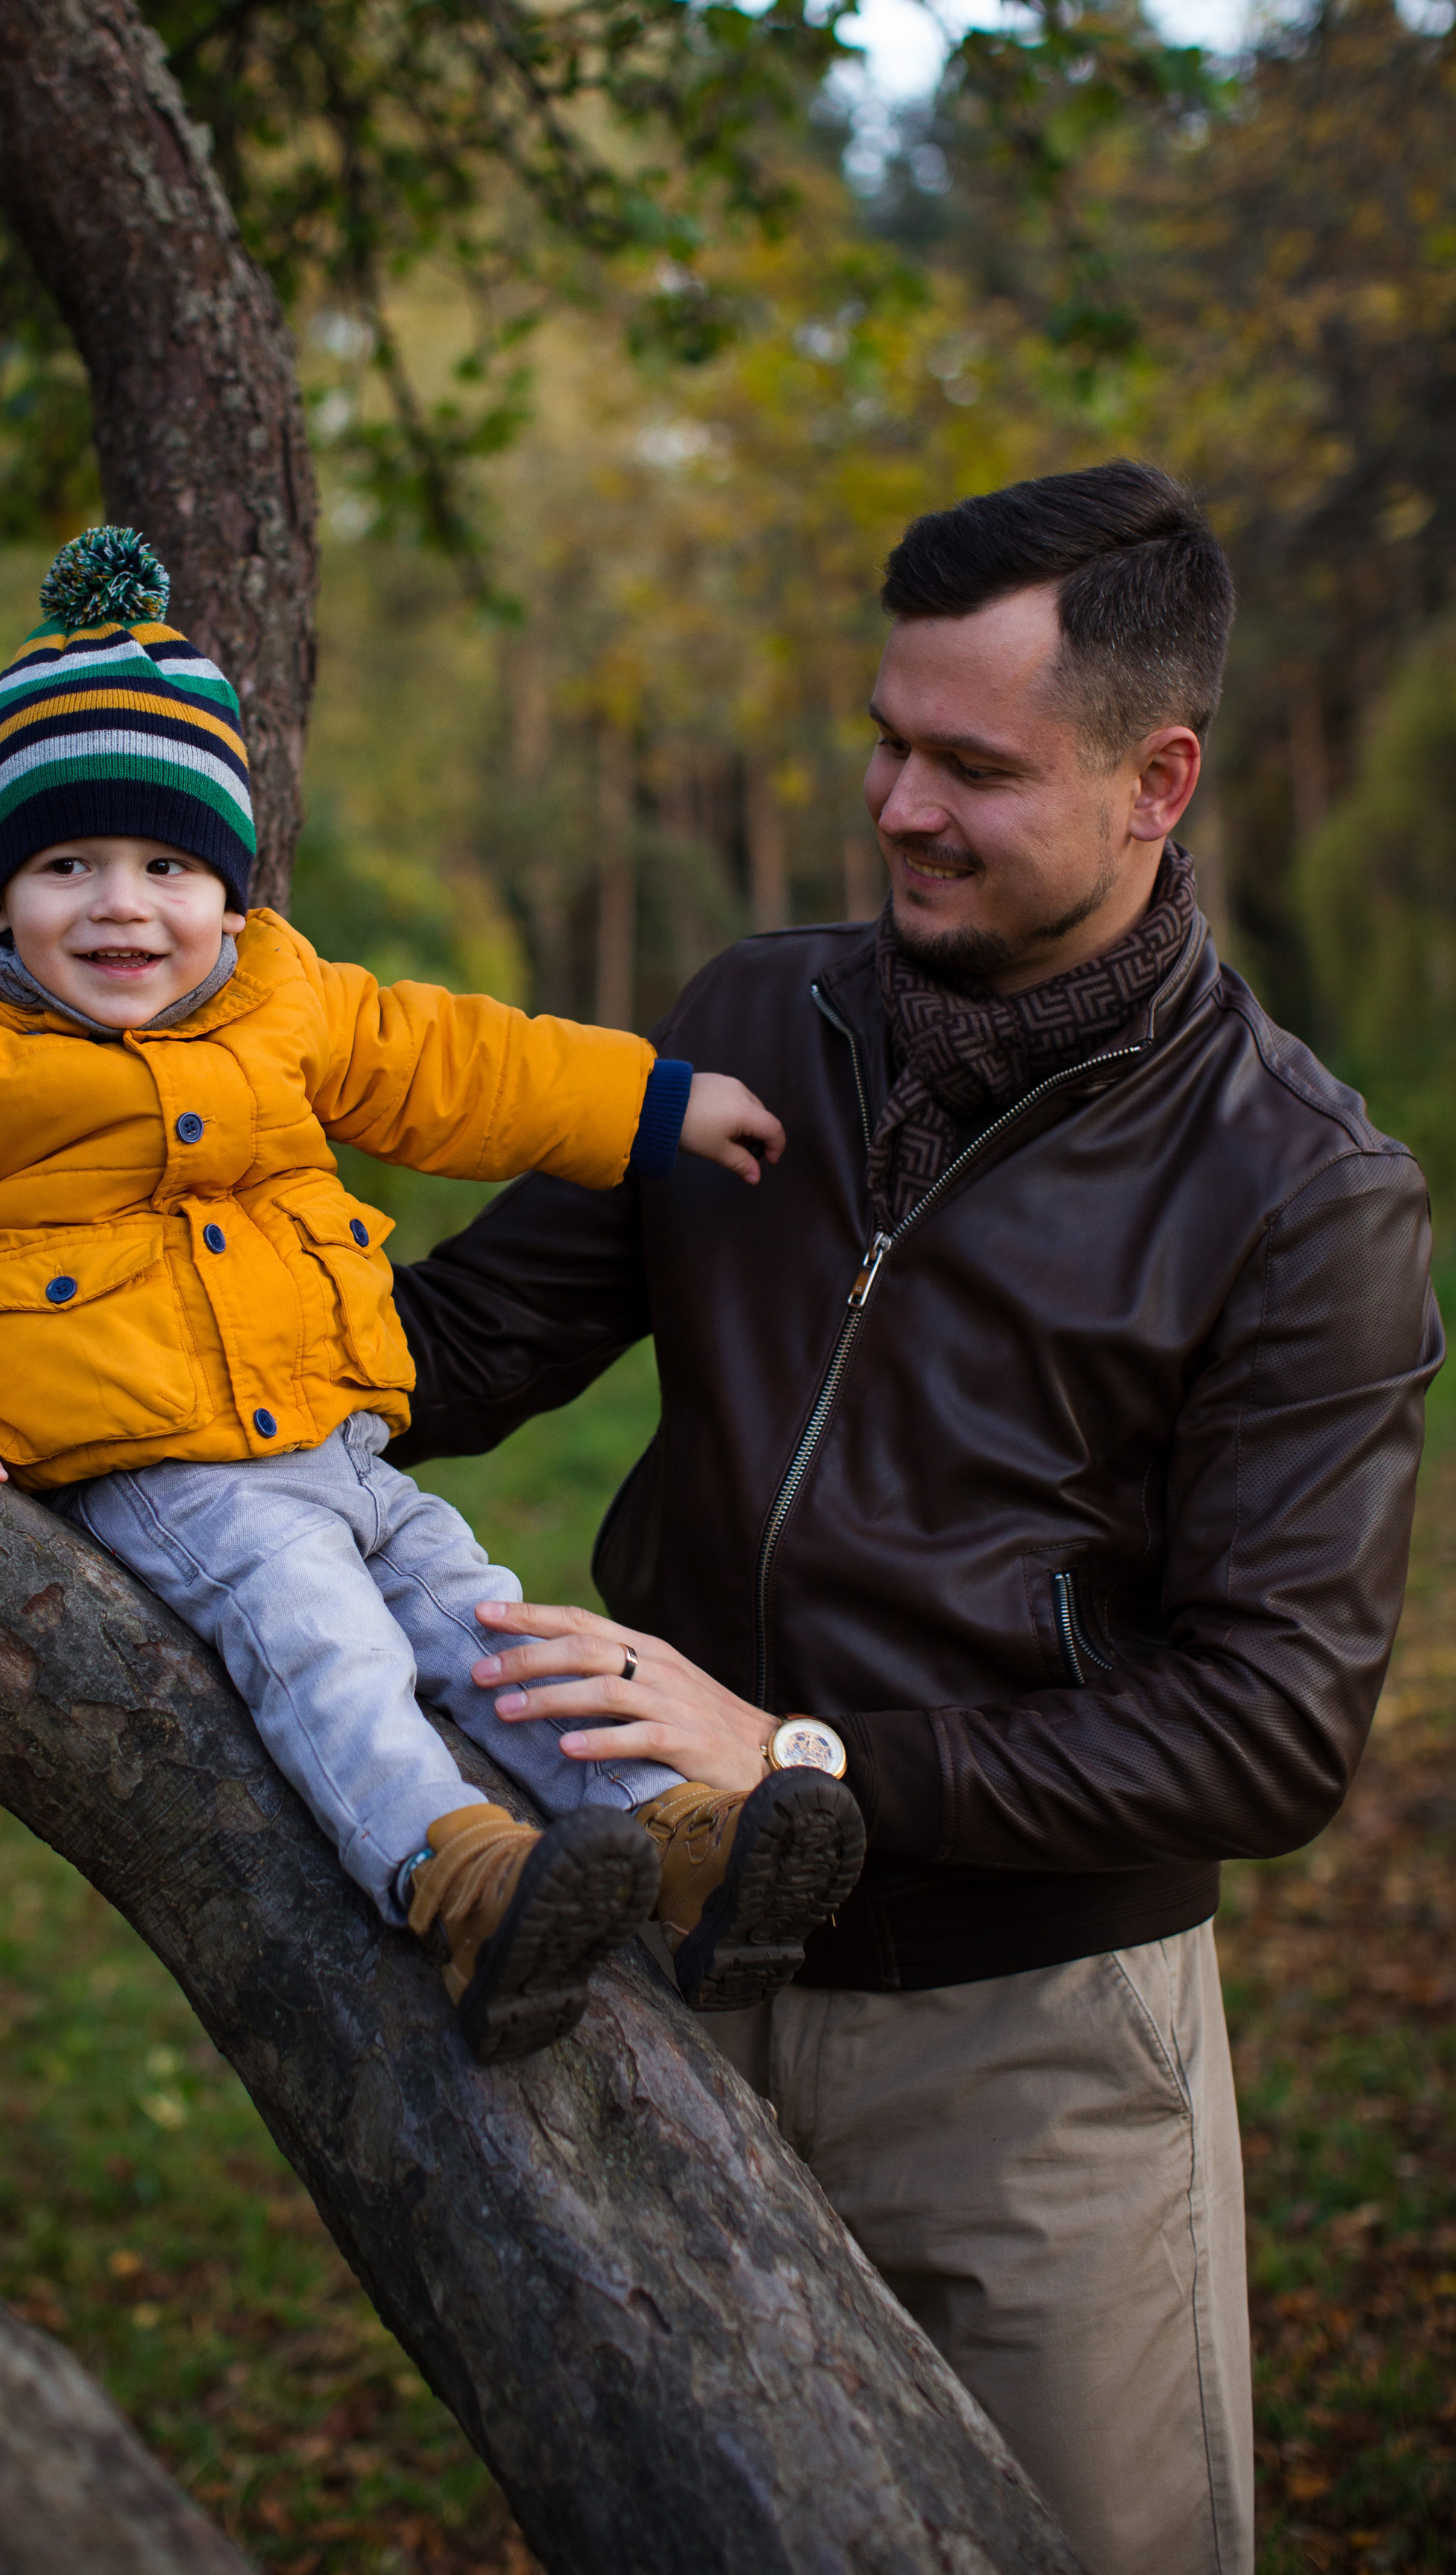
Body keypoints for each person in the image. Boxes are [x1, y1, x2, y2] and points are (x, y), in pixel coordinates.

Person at [387, 461, 1443, 2574]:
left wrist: (803, 1761)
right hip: (666, 1985)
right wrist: (58, 1317)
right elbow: (453, 1349)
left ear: (1161, 780)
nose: (894, 806)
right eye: (886, 741)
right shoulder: (749, 1024)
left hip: (1032, 2066)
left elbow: (1271, 1730)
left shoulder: (1305, 1199)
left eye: (970, 765)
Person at [0, 525, 863, 2066]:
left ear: (233, 900)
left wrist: (653, 1107)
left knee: (490, 1627)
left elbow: (464, 1063)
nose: (122, 908)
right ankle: (451, 1870)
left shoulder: (281, 1004)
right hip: (172, 1474)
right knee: (318, 1636)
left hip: (340, 1444)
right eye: (66, 866)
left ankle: (678, 1840)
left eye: (167, 867)